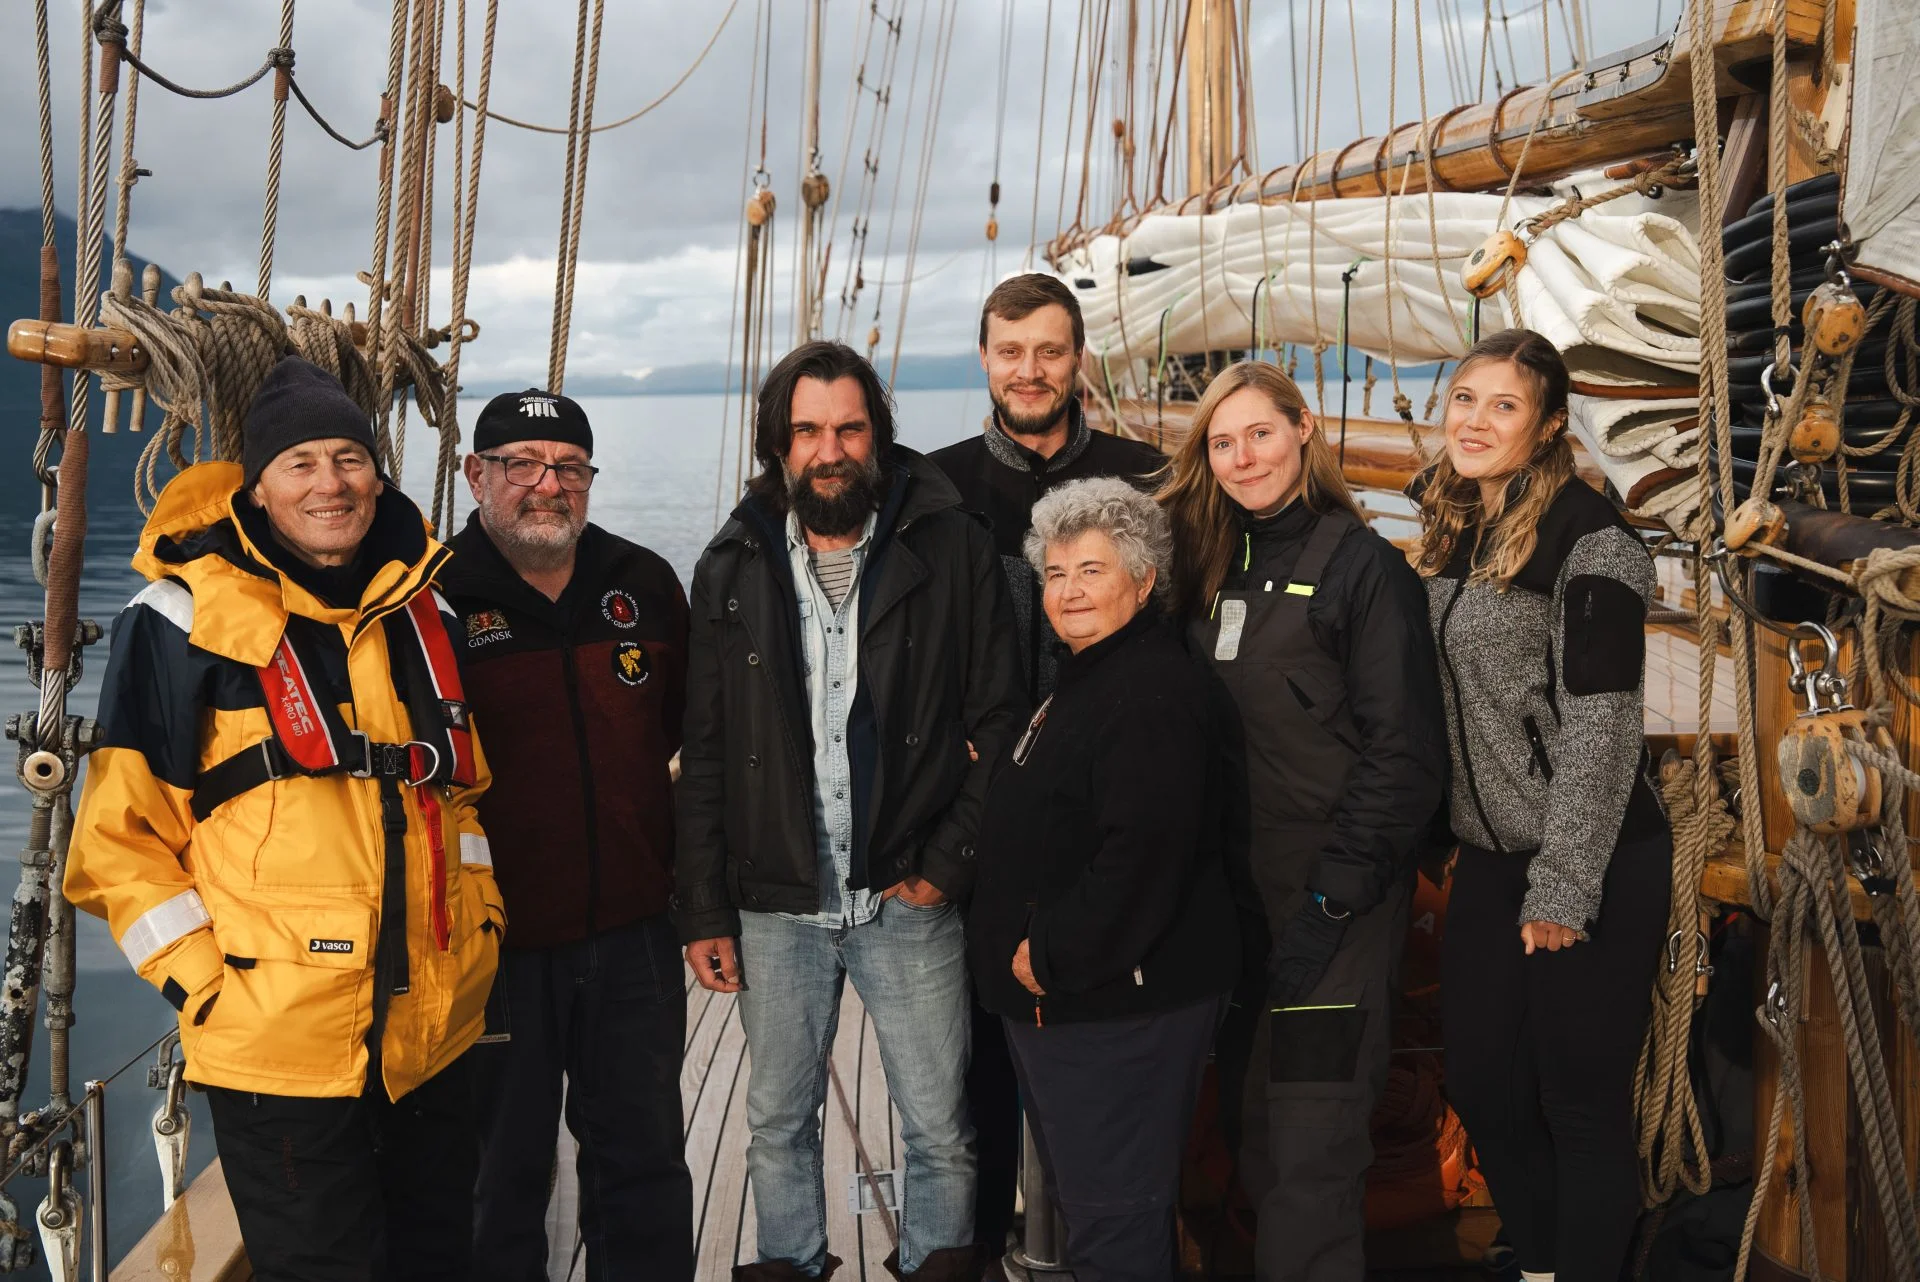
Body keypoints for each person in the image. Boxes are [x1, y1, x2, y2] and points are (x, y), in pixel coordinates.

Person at [66, 355, 502, 1281]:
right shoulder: (179, 619)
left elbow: (459, 793)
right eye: (299, 462)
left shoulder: (425, 604)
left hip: (434, 1036)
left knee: (439, 1262)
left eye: (348, 458)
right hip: (276, 1049)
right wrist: (211, 989)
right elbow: (117, 846)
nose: (328, 483)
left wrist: (483, 925)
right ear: (257, 487)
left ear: (376, 475)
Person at [674, 340, 1025, 1282]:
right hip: (775, 898)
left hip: (908, 889)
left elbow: (1001, 718)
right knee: (776, 1122)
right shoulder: (729, 565)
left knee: (940, 1125)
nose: (829, 451)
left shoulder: (952, 548)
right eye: (807, 431)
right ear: (778, 445)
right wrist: (703, 910)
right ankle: (788, 1266)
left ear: (878, 436)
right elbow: (707, 753)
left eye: (849, 429)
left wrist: (947, 864)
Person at [1158, 359, 1447, 1282]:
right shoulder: (1213, 565)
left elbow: (1406, 759)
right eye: (1223, 443)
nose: (1244, 458)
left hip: (1334, 912)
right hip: (1241, 905)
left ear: (1304, 430)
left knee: (1312, 1150)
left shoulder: (1364, 570)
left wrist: (1332, 902)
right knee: (1252, 1136)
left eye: (1261, 434)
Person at [1414, 328, 1671, 1282]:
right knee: (1484, 1085)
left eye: (1505, 406)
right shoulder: (1455, 526)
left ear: (1551, 424)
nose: (1476, 422)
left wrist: (1564, 884)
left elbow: (1602, 726)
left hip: (1592, 857)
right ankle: (1545, 1266)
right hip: (1489, 856)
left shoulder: (1592, 542)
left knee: (1578, 1102)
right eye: (1465, 399)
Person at [926, 272, 1166, 1268]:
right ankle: (988, 1249)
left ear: (1079, 360)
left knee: (1103, 1070)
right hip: (984, 818)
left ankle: (1098, 1247)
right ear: (985, 358)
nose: (1030, 371)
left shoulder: (1146, 477)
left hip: (1110, 813)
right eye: (1011, 351)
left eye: (1050, 352)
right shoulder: (933, 487)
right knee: (980, 1068)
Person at [441, 388, 694, 1281]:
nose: (548, 486)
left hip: (634, 936)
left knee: (644, 1167)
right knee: (498, 1177)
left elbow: (683, 734)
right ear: (476, 475)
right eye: (523, 465)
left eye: (570, 468)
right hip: (493, 944)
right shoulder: (433, 600)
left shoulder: (643, 582)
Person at [968, 476, 1237, 1282]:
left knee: (1116, 1224)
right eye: (1056, 574)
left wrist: (1048, 954)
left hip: (1117, 1009)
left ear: (1144, 580)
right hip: (1070, 1009)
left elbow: (1142, 857)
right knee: (1095, 1214)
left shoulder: (1149, 691)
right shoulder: (1088, 676)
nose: (1069, 591)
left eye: (1092, 570)